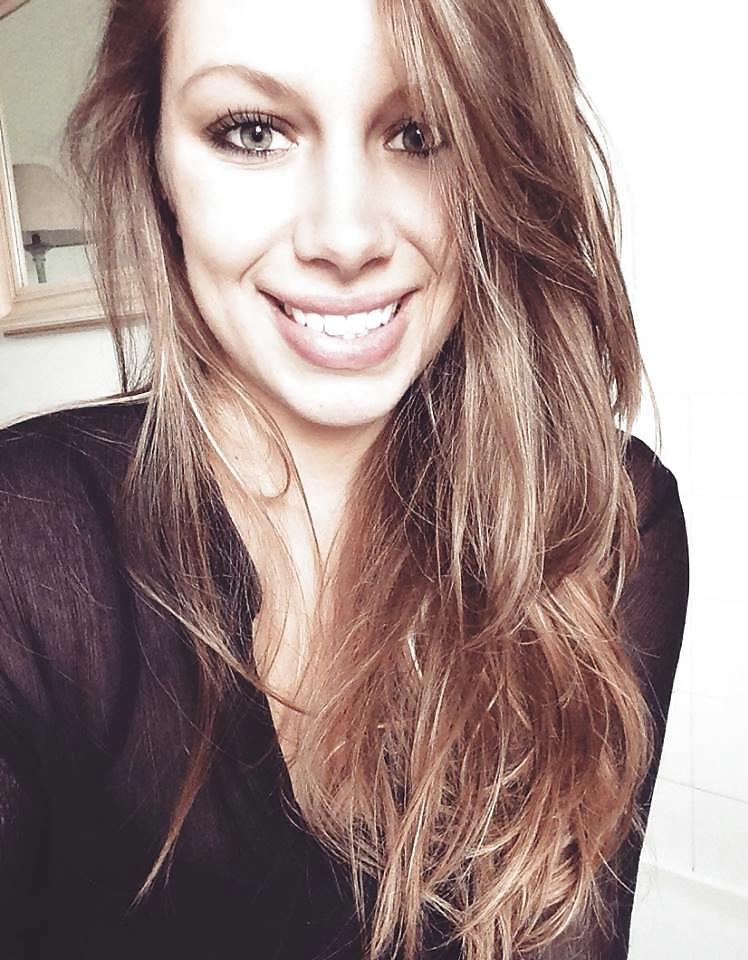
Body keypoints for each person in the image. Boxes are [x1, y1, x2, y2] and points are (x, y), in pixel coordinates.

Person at [0, 0, 689, 957]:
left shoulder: (603, 521)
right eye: (252, 131)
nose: (347, 234)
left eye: (420, 132)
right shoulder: (24, 553)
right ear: (153, 161)